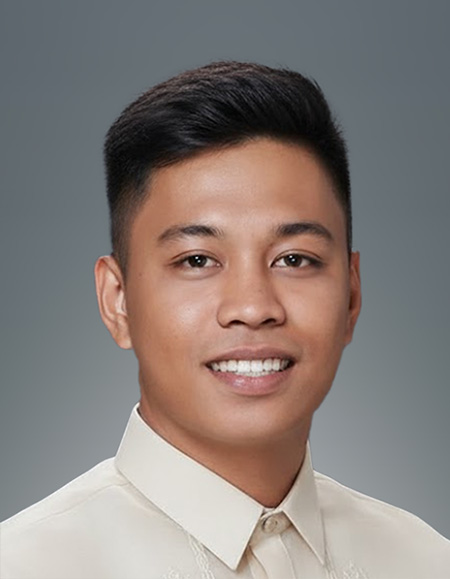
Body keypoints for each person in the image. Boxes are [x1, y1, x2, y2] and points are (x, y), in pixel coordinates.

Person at [1, 61, 449, 579]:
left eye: (294, 259)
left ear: (351, 294)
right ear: (117, 300)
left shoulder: (425, 561)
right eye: (197, 260)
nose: (253, 307)